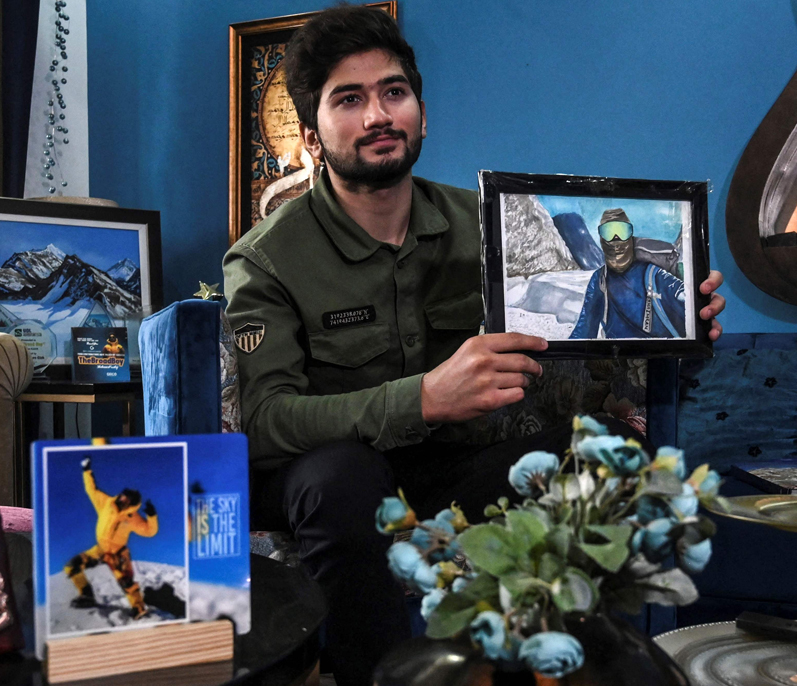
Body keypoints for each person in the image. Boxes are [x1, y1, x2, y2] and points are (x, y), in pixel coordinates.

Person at [221, 7, 727, 684]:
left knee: (602, 448)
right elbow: (264, 421)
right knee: (340, 478)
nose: (378, 114)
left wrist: (679, 329)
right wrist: (423, 398)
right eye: (350, 99)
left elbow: (597, 329)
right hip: (331, 479)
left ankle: (551, 670)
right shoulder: (266, 260)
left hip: (458, 469)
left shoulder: (493, 222)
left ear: (422, 115)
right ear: (313, 134)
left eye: (393, 93)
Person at [64, 455, 158, 618]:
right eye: (122, 495)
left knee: (126, 582)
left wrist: (152, 516)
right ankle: (86, 595)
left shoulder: (132, 518)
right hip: (100, 550)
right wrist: (86, 470)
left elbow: (149, 531)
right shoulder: (107, 504)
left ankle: (139, 608)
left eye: (126, 499)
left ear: (131, 503)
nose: (122, 499)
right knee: (73, 565)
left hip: (118, 554)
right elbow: (91, 490)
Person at [570, 208, 687, 339]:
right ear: (601, 238)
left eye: (622, 231)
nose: (616, 240)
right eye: (608, 232)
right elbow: (583, 331)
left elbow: (685, 300)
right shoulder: (600, 279)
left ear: (631, 236)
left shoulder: (653, 274)